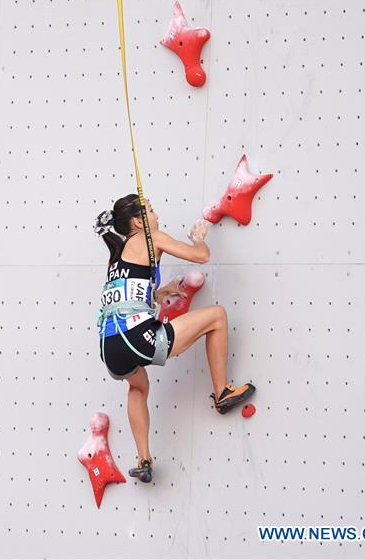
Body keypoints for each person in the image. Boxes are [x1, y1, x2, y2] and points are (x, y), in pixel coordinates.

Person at [95, 194, 255, 483]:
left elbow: (126, 297)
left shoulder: (117, 257)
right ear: (137, 221)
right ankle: (222, 392)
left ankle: (143, 458)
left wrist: (159, 292)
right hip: (136, 338)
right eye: (151, 210)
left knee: (138, 387)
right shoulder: (150, 236)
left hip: (110, 347)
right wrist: (199, 238)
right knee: (217, 316)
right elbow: (201, 257)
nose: (156, 215)